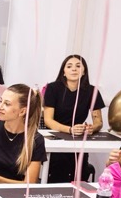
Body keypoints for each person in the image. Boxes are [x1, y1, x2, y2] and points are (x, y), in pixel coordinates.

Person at [42, 54, 105, 184]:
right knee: (58, 174)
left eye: (78, 66)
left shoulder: (92, 91)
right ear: (63, 72)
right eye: (69, 66)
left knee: (80, 174)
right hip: (56, 137)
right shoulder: (53, 88)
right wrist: (70, 129)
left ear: (84, 72)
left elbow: (98, 122)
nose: (74, 69)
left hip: (79, 139)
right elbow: (48, 120)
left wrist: (92, 128)